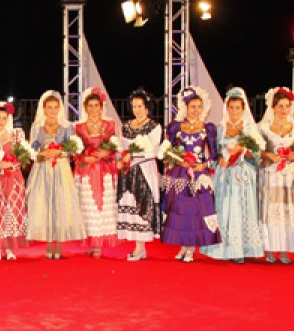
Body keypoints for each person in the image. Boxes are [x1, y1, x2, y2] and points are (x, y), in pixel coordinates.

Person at [200, 87, 267, 263]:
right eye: (231, 107)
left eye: (238, 108)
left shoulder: (249, 129)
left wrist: (242, 149)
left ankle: (241, 248)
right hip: (224, 175)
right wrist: (220, 159)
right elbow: (214, 153)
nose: (234, 111)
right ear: (226, 108)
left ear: (243, 109)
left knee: (240, 209)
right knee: (225, 209)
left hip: (242, 175)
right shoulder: (220, 129)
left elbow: (258, 153)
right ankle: (223, 247)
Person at [160, 86, 221, 262]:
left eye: (199, 107)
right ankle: (182, 246)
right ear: (185, 107)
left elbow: (215, 153)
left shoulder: (208, 128)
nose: (196, 110)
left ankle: (191, 248)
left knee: (196, 211)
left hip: (198, 172)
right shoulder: (175, 127)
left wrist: (204, 165)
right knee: (180, 209)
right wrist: (178, 160)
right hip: (180, 172)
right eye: (192, 106)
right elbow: (167, 149)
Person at [257, 86, 294, 264]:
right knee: (270, 212)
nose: (284, 110)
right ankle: (269, 249)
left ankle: (284, 250)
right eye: (280, 106)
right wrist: (269, 155)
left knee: (287, 213)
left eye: (287, 106)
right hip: (270, 173)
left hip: (289, 173)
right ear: (273, 107)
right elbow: (257, 151)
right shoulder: (263, 127)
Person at [26, 90, 85, 259]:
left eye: (55, 107)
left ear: (59, 108)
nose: (52, 110)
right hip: (43, 168)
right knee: (44, 204)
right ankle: (48, 245)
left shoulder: (67, 127)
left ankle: (58, 244)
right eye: (49, 107)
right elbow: (33, 148)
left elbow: (71, 148)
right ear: (44, 109)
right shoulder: (37, 127)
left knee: (60, 204)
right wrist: (43, 154)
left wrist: (58, 153)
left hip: (60, 168)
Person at [116, 88, 162, 261]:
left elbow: (153, 150)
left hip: (144, 169)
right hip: (128, 171)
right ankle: (137, 246)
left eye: (140, 106)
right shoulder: (126, 126)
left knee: (142, 204)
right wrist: (120, 158)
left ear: (147, 106)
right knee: (130, 204)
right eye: (134, 106)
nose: (137, 109)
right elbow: (121, 148)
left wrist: (132, 155)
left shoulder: (154, 126)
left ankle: (140, 247)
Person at [73, 87, 119, 258]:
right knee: (88, 206)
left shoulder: (110, 125)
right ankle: (90, 242)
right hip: (86, 171)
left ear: (101, 107)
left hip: (104, 170)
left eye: (96, 105)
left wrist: (107, 153)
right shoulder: (78, 127)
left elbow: (114, 147)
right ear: (85, 108)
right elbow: (76, 151)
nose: (93, 109)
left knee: (103, 206)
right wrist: (85, 157)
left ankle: (99, 244)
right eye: (90, 106)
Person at [0, 101, 28, 261]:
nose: (1, 121)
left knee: (11, 213)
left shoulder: (16, 135)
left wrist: (10, 164)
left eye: (4, 118)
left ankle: (9, 248)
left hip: (13, 179)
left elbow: (23, 157)